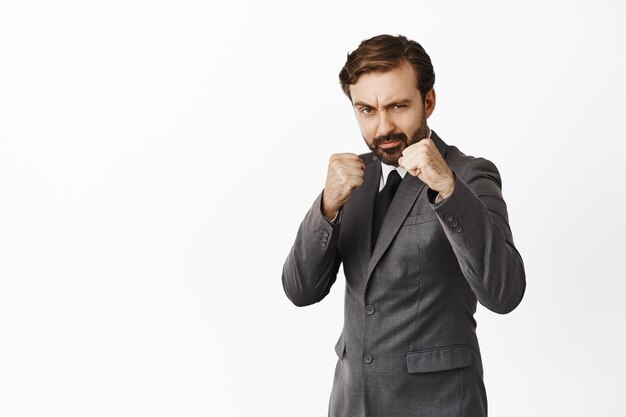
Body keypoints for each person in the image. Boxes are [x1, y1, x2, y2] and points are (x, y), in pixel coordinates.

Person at [281, 34, 526, 417]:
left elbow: (505, 292)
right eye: (366, 110)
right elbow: (300, 290)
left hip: (439, 405)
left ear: (428, 101)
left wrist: (447, 187)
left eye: (398, 106)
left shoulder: (469, 175)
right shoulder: (351, 180)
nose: (383, 128)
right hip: (351, 404)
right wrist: (328, 206)